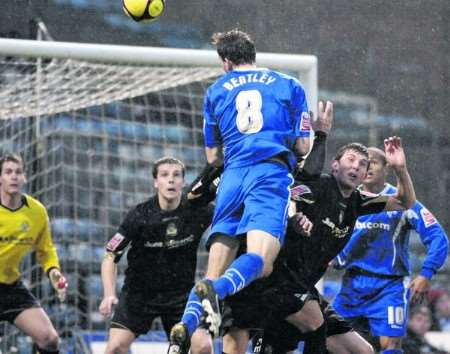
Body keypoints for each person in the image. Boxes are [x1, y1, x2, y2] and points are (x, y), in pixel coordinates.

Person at [221, 107, 417, 354]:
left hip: (304, 288)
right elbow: (289, 192)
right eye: (350, 160)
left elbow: (404, 202)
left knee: (362, 351)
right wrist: (293, 219)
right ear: (335, 166)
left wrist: (400, 169)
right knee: (314, 324)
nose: (356, 166)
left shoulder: (359, 202)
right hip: (278, 283)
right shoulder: (319, 187)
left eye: (363, 164)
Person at [168, 29, 312, 353]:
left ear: (226, 62)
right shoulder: (289, 85)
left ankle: (185, 329)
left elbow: (212, 157)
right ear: (253, 54)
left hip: (232, 177)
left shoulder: (216, 90)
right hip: (269, 173)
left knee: (213, 268)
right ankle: (217, 291)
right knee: (261, 261)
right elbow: (303, 144)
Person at [332, 146, 449, 354]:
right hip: (352, 284)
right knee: (328, 337)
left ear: (386, 167)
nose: (367, 167)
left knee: (391, 346)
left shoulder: (403, 201)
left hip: (389, 286)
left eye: (373, 162)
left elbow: (438, 237)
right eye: (363, 163)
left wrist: (426, 273)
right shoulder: (348, 199)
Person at [99, 157, 219, 354]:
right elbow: (110, 255)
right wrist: (109, 294)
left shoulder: (199, 211)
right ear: (156, 182)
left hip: (180, 295)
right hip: (139, 295)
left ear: (183, 181)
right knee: (115, 348)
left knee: (204, 346)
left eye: (176, 175)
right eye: (164, 175)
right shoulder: (140, 215)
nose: (170, 180)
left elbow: (226, 226)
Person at [0, 153, 68, 354]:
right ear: (0, 177)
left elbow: (46, 250)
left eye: (18, 172)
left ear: (24, 178)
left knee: (49, 339)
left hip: (10, 287)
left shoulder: (37, 212)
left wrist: (54, 272)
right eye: (8, 172)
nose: (14, 176)